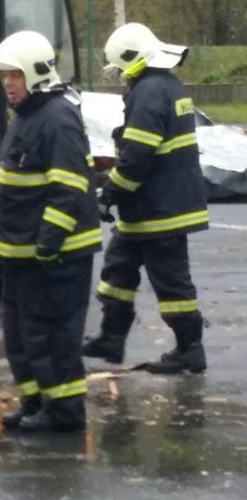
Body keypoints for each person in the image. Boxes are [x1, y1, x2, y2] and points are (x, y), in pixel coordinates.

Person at [0, 31, 102, 433]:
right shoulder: (27, 119)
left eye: (15, 75)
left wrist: (49, 244)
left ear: (35, 74)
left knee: (53, 336)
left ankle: (65, 413)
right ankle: (35, 402)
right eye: (4, 77)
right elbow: (10, 191)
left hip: (55, 257)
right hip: (23, 255)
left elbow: (68, 188)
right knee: (21, 336)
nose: (9, 84)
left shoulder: (56, 119)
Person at [83, 22, 208, 374]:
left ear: (132, 60)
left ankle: (190, 350)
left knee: (171, 283)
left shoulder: (149, 92)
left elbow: (137, 156)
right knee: (117, 270)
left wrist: (108, 193)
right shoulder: (165, 86)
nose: (120, 75)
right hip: (150, 207)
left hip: (161, 211)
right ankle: (111, 338)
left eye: (120, 68)